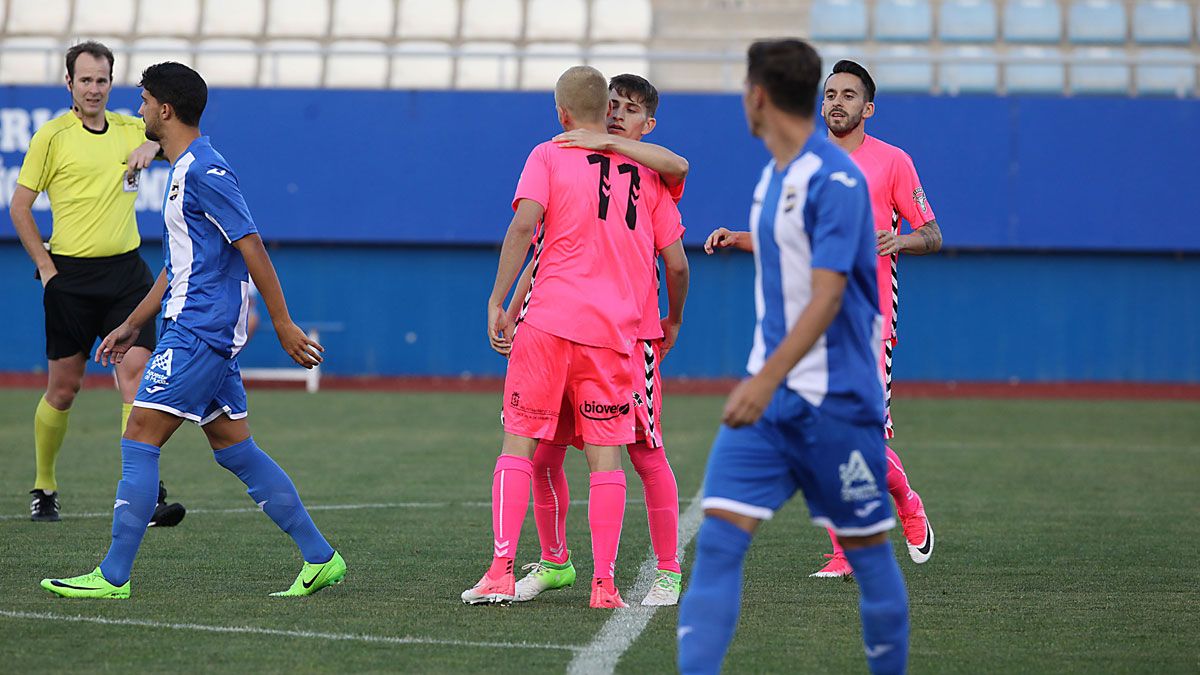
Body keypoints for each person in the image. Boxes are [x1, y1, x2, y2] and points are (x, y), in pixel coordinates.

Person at [39, 62, 344, 599]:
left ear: (165, 109)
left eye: (142, 101)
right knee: (234, 447)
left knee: (139, 437)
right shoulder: (183, 169)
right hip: (195, 325)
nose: (137, 111)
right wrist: (133, 323)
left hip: (200, 331)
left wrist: (282, 323)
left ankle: (111, 577)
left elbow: (252, 246)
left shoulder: (206, 170)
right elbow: (179, 265)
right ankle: (321, 558)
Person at [678, 40, 909, 674]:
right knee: (718, 549)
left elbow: (830, 294)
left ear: (757, 97)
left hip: (836, 407)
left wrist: (764, 379)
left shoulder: (837, 181)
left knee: (869, 561)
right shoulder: (774, 176)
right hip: (770, 405)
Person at [705, 59, 940, 578]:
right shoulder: (804, 162)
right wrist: (738, 238)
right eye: (830, 93)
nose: (836, 102)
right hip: (808, 315)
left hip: (865, 315)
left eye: (849, 95)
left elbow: (932, 232)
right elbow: (787, 239)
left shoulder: (893, 162)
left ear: (868, 107)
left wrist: (900, 239)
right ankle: (842, 553)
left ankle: (906, 501)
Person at [464, 65, 684, 609]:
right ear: (599, 107)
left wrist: (499, 301)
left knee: (532, 447)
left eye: (632, 108)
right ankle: (585, 575)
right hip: (612, 337)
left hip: (568, 331)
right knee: (575, 459)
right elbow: (672, 263)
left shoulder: (552, 154)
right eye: (614, 103)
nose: (619, 112)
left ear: (562, 113)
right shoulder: (648, 179)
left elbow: (525, 230)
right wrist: (513, 307)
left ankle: (503, 568)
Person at [10, 40, 184, 525]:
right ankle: (45, 485)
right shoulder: (52, 136)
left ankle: (143, 493)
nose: (93, 88)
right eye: (84, 80)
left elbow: (181, 143)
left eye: (102, 80)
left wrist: (155, 144)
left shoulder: (133, 126)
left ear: (112, 82)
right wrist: (46, 269)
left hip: (127, 275)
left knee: (136, 380)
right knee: (64, 390)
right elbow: (20, 207)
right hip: (70, 277)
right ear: (68, 83)